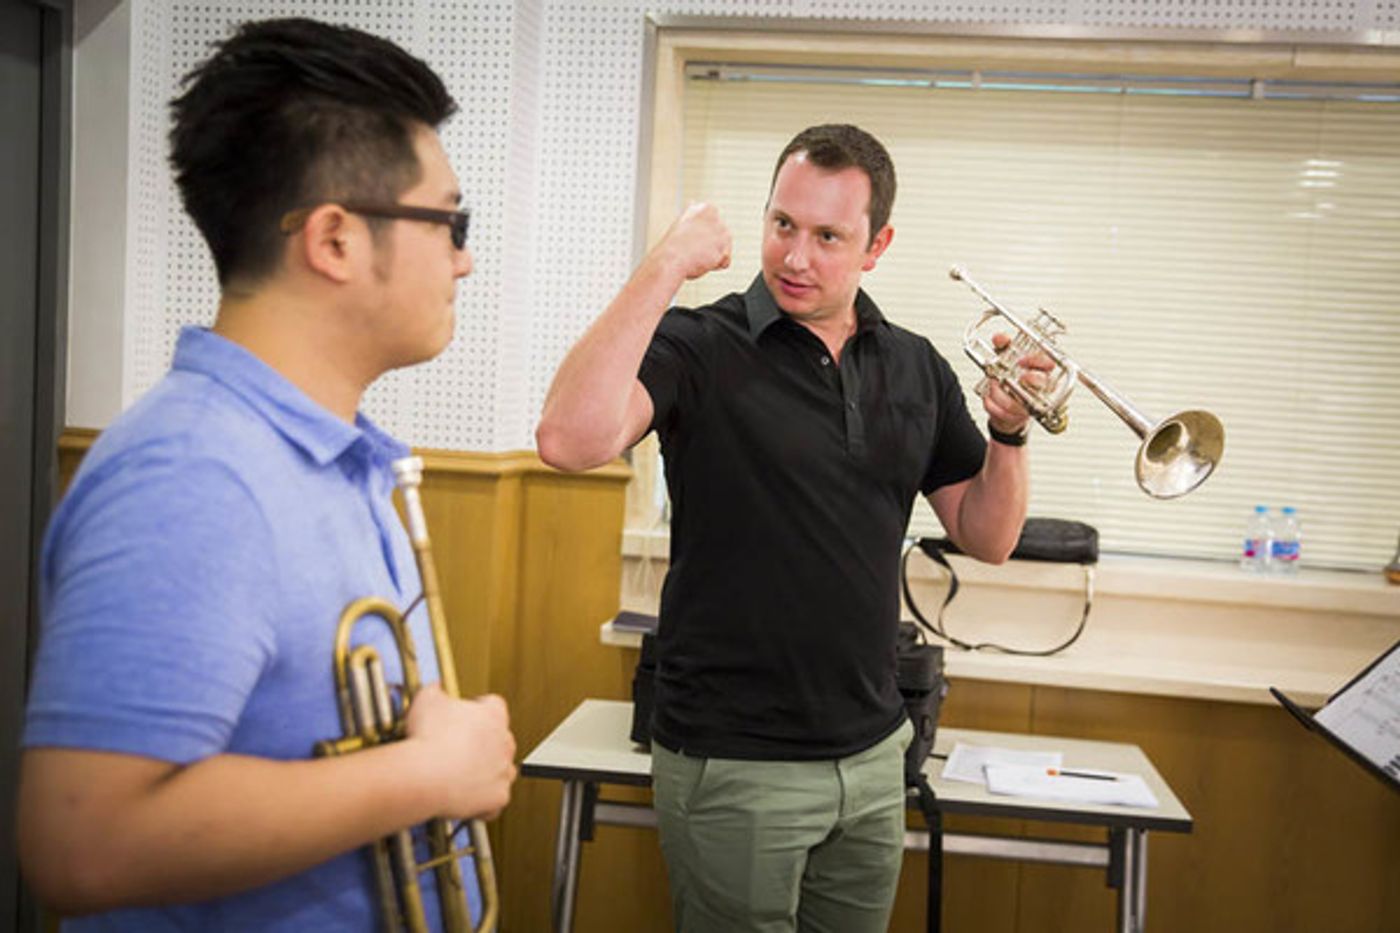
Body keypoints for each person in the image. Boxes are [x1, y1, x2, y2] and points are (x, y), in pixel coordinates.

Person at [19, 18, 516, 931]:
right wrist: (425, 774)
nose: (464, 255)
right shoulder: (196, 473)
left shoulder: (333, 452)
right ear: (333, 241)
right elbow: (81, 840)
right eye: (450, 221)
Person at [536, 123, 1041, 932]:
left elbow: (989, 536)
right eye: (782, 225)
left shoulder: (915, 366)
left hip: (875, 754)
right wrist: (664, 264)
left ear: (877, 245)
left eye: (828, 237)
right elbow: (568, 439)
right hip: (733, 758)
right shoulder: (700, 345)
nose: (795, 257)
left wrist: (1010, 434)